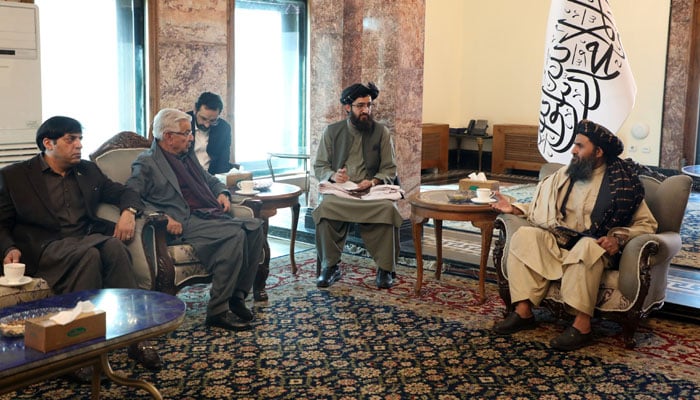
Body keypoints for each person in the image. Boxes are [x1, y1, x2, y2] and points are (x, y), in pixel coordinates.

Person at [0, 116, 162, 376]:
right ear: (48, 143)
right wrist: (8, 248)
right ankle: (78, 353)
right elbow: (1, 222)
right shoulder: (14, 176)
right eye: (70, 139)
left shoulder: (88, 171)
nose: (78, 145)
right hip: (44, 246)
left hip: (85, 237)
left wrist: (129, 211)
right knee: (89, 255)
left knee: (115, 248)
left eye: (79, 139)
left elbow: (125, 192)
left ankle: (136, 338)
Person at [490, 119, 658, 351]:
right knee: (525, 236)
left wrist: (618, 239)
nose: (573, 150)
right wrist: (516, 208)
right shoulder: (566, 175)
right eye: (574, 145)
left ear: (598, 152)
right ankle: (523, 312)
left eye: (580, 146)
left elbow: (647, 223)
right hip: (559, 242)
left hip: (596, 248)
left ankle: (582, 326)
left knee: (586, 247)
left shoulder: (622, 184)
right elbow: (545, 208)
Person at [126, 108, 264, 331]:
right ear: (168, 136)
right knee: (234, 234)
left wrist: (222, 192)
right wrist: (163, 216)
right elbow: (132, 194)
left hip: (208, 213)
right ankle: (217, 311)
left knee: (255, 227)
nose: (191, 138)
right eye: (186, 133)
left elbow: (209, 180)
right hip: (184, 220)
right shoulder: (147, 162)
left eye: (190, 133)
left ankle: (236, 297)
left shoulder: (187, 156)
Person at [313, 82, 402, 289]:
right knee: (324, 208)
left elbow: (390, 169)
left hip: (371, 191)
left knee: (387, 209)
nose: (366, 110)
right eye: (360, 105)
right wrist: (334, 176)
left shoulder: (381, 132)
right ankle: (330, 266)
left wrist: (372, 181)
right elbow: (320, 166)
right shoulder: (332, 132)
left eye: (369, 105)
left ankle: (385, 269)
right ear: (347, 107)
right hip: (342, 192)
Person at [187, 91, 234, 174]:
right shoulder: (182, 123)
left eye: (213, 120)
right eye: (203, 118)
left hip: (211, 177)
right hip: (187, 176)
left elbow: (223, 161)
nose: (207, 125)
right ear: (195, 110)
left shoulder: (223, 128)